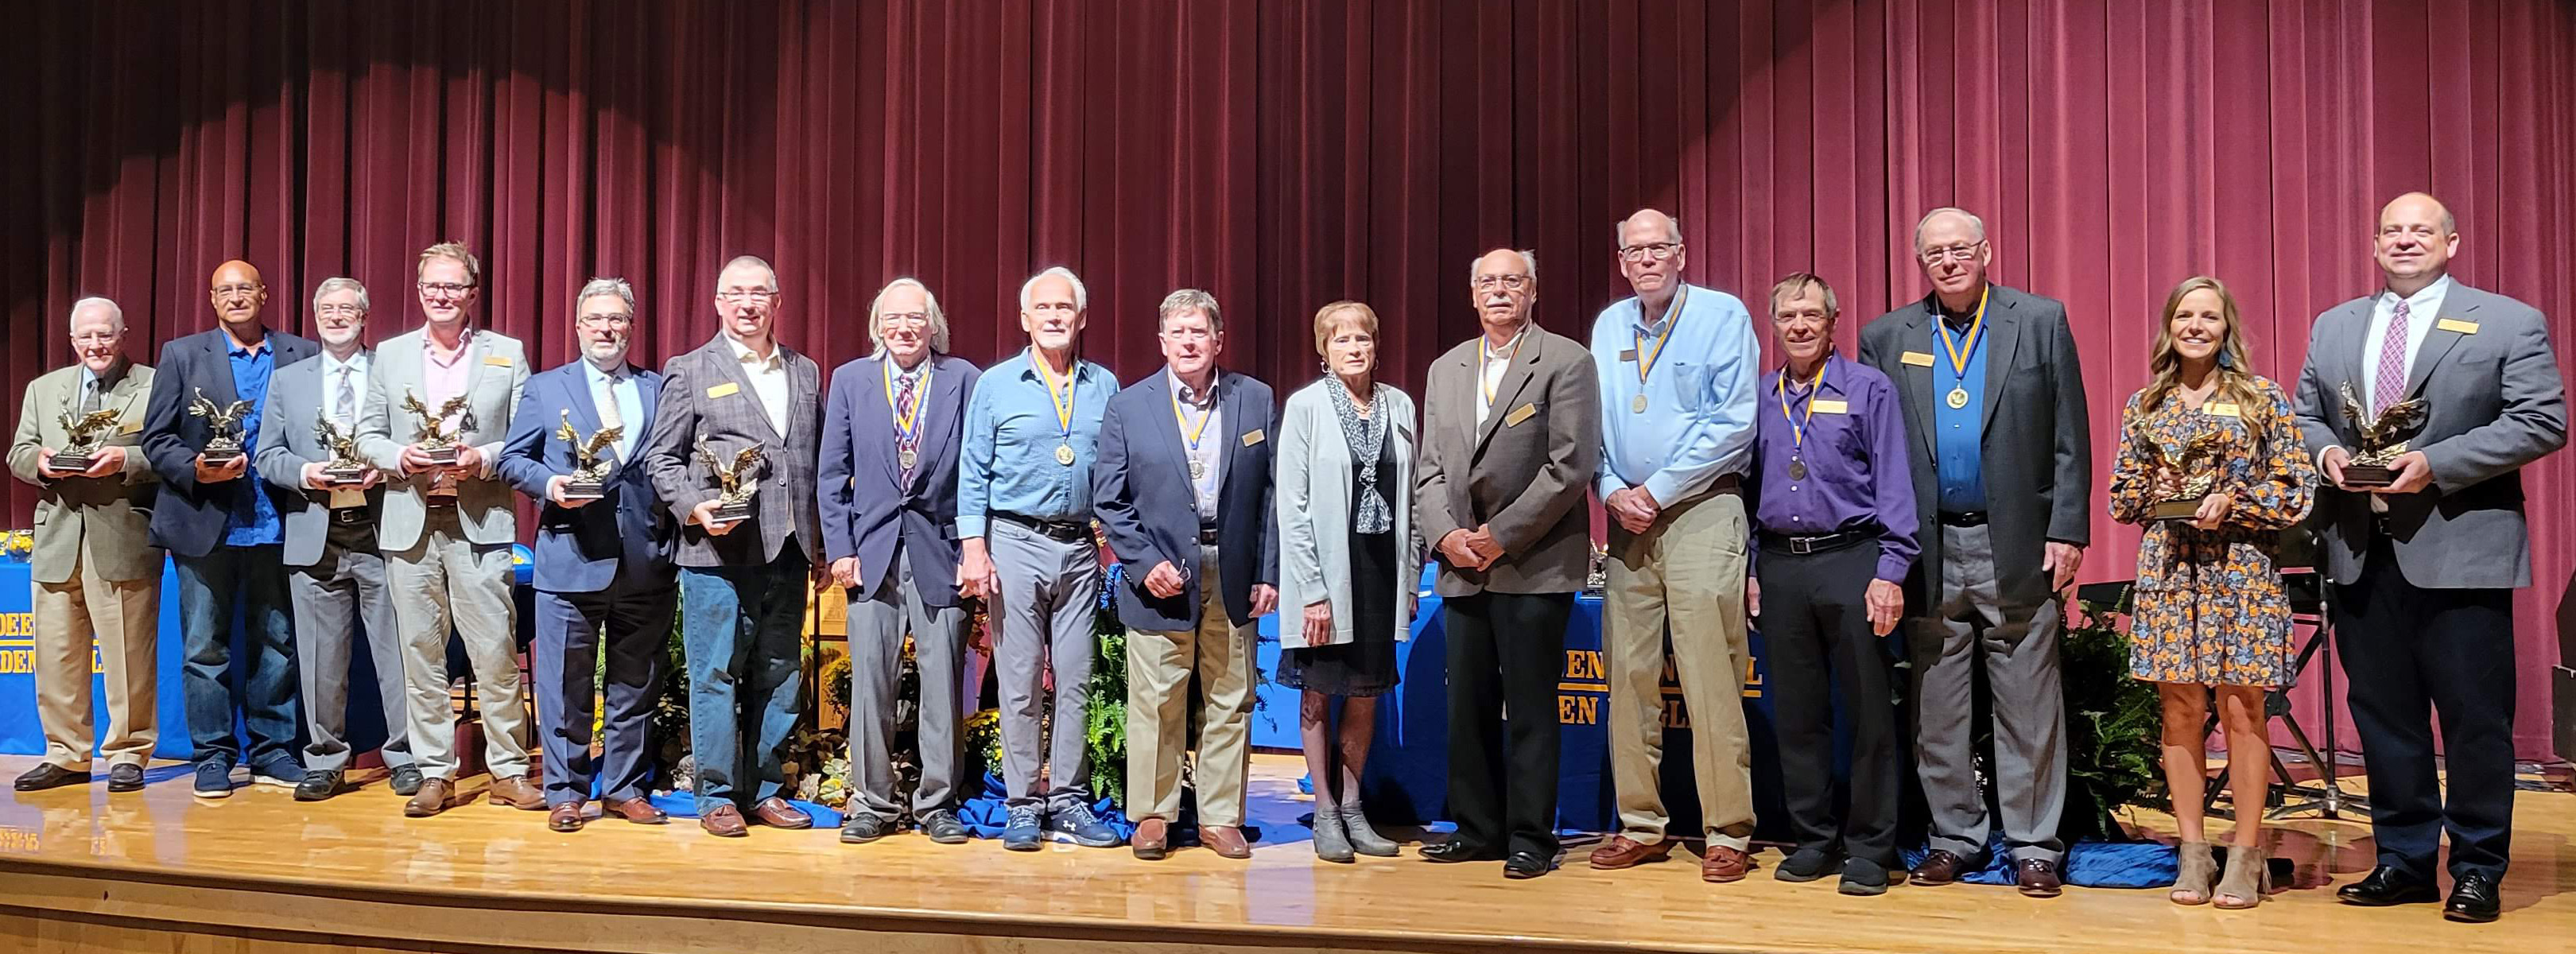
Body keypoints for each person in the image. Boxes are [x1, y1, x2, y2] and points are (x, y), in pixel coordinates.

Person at [2294, 193, 2566, 923]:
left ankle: (2478, 866)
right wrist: (2324, 454)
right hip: (2359, 549)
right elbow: (2304, 412)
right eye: (2392, 231)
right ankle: (2404, 860)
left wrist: (2434, 463)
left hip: (2462, 549)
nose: (2405, 240)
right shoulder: (2336, 324)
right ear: (2374, 244)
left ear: (2452, 242)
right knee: (2385, 716)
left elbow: (2541, 421)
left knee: (2475, 720)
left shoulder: (2507, 320)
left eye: (2421, 230)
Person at [1856, 207, 2090, 897]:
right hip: (1928, 547)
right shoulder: (1886, 336)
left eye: (1960, 249)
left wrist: (2068, 530)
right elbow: (1874, 455)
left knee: (2029, 705)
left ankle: (2034, 846)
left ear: (1987, 251)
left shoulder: (2040, 320)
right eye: (1935, 253)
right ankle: (1954, 838)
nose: (1949, 262)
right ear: (1920, 261)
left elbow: (2070, 437)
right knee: (1938, 707)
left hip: (2015, 541)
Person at [2106, 275, 2316, 908]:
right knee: (2179, 711)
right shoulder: (2146, 404)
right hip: (2172, 570)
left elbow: (2296, 487)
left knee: (2242, 709)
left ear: (2228, 329)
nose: (2196, 326)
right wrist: (2158, 492)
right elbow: (2121, 496)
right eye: (2185, 316)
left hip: (2242, 570)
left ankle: (2246, 856)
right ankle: (2194, 855)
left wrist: (2238, 501)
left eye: (2210, 317)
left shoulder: (2261, 399)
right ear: (2169, 326)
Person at [1585, 209, 1765, 883]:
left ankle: (1728, 830)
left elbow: (1732, 425)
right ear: (1623, 260)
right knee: (1627, 679)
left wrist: (1655, 489)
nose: (1646, 259)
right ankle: (1641, 825)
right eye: (1634, 250)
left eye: (1658, 247)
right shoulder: (1608, 326)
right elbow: (1592, 424)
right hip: (1627, 519)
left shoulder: (1722, 316)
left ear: (1682, 254)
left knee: (1709, 675)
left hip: (1700, 510)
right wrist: (1608, 489)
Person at [1415, 248, 1602, 879]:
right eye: (1488, 283)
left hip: (1534, 563)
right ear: (1472, 294)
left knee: (1529, 707)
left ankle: (1530, 836)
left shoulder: (1567, 360)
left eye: (1511, 282)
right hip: (1461, 568)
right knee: (1465, 706)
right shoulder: (1446, 368)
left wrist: (1500, 534)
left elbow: (1570, 466)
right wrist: (1446, 537)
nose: (1499, 292)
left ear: (1533, 291)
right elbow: (1430, 471)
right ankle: (1476, 829)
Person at [1748, 273, 1919, 896]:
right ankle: (1813, 839)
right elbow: (1747, 489)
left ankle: (1871, 846)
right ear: (1774, 325)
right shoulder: (1761, 397)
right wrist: (1749, 571)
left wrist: (1891, 571)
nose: (1799, 326)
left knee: (1870, 713)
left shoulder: (1869, 389)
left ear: (1832, 323)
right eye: (1788, 315)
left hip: (1854, 560)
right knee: (1798, 715)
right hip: (1780, 566)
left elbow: (1896, 484)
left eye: (1811, 315)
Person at [1093, 289, 1279, 861]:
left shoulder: (1255, 399)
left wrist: (1268, 571)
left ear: (1218, 340)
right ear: (1162, 342)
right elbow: (1110, 500)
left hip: (1234, 568)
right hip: (1161, 571)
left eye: (1200, 332)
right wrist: (1144, 565)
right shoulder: (1130, 406)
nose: (1190, 342)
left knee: (1231, 695)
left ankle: (1221, 816)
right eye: (1179, 333)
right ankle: (1153, 814)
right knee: (1157, 699)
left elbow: (1274, 495)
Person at [644, 254, 824, 838]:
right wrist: (693, 506)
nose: (748, 304)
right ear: (718, 304)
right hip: (716, 555)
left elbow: (814, 463)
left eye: (759, 293)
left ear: (778, 302)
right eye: (736, 294)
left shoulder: (807, 372)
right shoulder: (690, 369)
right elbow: (661, 458)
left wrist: (821, 544)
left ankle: (766, 789)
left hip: (790, 550)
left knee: (779, 673)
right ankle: (717, 794)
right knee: (716, 673)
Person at [355, 241, 535, 818]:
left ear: (472, 294)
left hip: (480, 519)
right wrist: (398, 457)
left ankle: (509, 770)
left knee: (495, 651)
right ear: (419, 290)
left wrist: (482, 457)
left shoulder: (506, 353)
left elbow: (529, 437)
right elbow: (366, 435)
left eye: (453, 286)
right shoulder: (390, 354)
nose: (442, 295)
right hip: (410, 521)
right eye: (432, 285)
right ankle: (436, 772)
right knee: (420, 654)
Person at [498, 277, 679, 832]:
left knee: (636, 685)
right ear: (578, 327)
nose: (607, 328)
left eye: (617, 320)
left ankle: (625, 788)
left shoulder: (660, 388)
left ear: (631, 326)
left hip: (646, 561)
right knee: (563, 687)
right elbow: (511, 461)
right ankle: (567, 792)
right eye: (596, 319)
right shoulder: (547, 388)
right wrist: (550, 485)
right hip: (570, 559)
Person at [956, 266, 1123, 851]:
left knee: (1076, 678)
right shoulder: (996, 385)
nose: (1054, 316)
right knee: (1022, 682)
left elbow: (1120, 470)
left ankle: (1071, 801)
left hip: (1080, 547)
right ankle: (1023, 803)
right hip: (1014, 543)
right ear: (1025, 319)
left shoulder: (1105, 386)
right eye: (1042, 308)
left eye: (1064, 308)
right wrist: (973, 546)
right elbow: (972, 469)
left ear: (1082, 319)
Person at [142, 260, 317, 798]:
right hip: (205, 523)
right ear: (212, 298)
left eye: (246, 288)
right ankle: (213, 756)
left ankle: (272, 752)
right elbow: (157, 439)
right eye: (225, 290)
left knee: (278, 643)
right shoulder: (182, 354)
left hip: (281, 520)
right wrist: (195, 468)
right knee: (204, 648)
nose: (236, 297)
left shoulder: (302, 353)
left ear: (265, 294)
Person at [818, 278, 981, 846]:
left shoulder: (964, 380)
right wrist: (840, 548)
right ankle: (873, 803)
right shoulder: (850, 380)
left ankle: (938, 804)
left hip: (943, 553)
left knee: (942, 684)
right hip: (872, 553)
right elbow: (832, 474)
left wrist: (973, 549)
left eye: (916, 318)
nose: (905, 328)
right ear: (877, 326)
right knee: (871, 687)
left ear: (933, 325)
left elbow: (979, 473)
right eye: (894, 319)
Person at [254, 277, 413, 801]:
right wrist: (307, 472)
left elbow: (413, 445)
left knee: (400, 655)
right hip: (314, 533)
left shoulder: (392, 374)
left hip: (383, 529)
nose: (336, 316)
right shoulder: (288, 379)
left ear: (365, 316)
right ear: (315, 315)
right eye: (327, 307)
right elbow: (267, 455)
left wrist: (382, 469)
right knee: (320, 659)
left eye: (347, 307)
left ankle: (407, 756)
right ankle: (325, 759)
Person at [1274, 300, 1420, 863]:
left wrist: (1409, 576)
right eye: (1341, 341)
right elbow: (1293, 504)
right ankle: (1326, 811)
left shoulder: (1400, 405)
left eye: (1362, 339)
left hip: (1381, 573)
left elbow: (1409, 498)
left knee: (1366, 692)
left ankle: (1356, 807)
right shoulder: (1306, 407)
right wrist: (1312, 589)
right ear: (1323, 350)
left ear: (1376, 346)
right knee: (1319, 694)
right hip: (1327, 576)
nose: (1353, 348)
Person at [8, 297, 161, 794]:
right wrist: (43, 465)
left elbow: (168, 453)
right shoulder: (43, 388)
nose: (95, 345)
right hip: (57, 538)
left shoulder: (153, 383)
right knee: (56, 655)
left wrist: (126, 460)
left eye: (105, 335)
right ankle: (66, 755)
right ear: (72, 341)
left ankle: (129, 752)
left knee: (128, 656)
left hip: (122, 536)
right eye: (85, 337)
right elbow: (19, 451)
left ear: (124, 334)